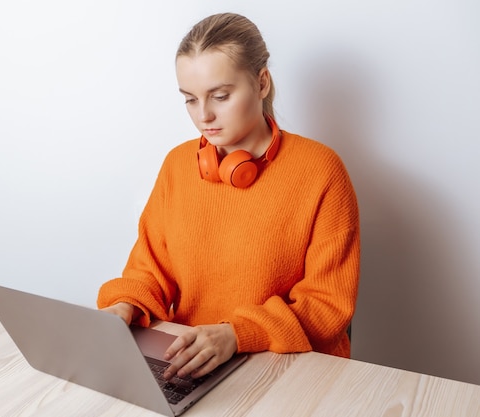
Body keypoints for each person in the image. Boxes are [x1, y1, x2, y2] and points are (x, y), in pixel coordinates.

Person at [98, 12, 360, 382]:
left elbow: (327, 306)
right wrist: (124, 306)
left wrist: (237, 334)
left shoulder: (321, 170)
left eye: (220, 96)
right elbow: (149, 270)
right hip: (188, 366)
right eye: (190, 99)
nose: (204, 115)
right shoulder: (177, 164)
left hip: (286, 372)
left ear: (262, 82)